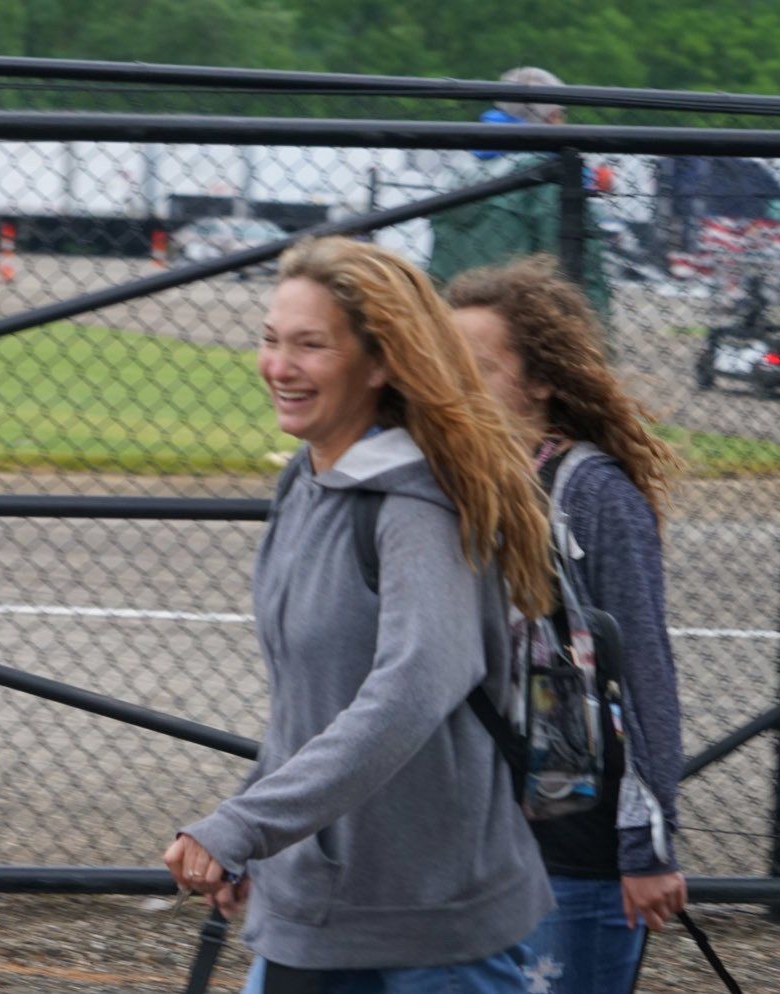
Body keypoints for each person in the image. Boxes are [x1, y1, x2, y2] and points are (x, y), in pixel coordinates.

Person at [165, 237, 558, 993]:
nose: (279, 366)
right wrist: (256, 834)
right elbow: (303, 710)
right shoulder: (304, 485)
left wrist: (248, 826)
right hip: (314, 910)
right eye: (271, 340)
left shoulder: (417, 506)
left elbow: (414, 685)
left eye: (310, 346)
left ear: (380, 364)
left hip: (434, 930)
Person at [448, 257, 686, 994]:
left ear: (541, 381)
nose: (456, 387)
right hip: (472, 842)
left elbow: (643, 669)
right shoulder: (450, 486)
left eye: (478, 369)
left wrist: (648, 849)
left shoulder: (592, 492)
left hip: (572, 849)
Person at [426, 66, 611, 318]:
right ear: (553, 116)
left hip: (452, 321)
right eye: (562, 114)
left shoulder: (458, 170)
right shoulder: (548, 176)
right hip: (524, 330)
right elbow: (579, 272)